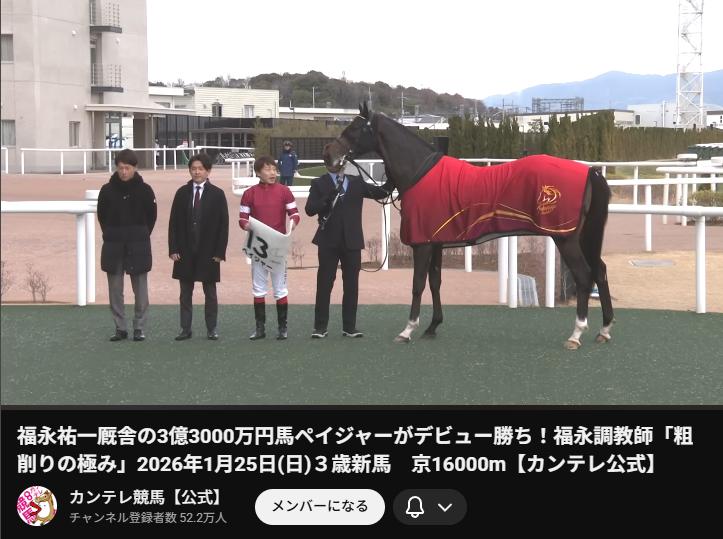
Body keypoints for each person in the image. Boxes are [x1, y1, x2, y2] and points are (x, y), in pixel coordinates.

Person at [305, 151, 390, 338]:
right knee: (325, 284)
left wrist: (392, 174)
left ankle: (349, 327)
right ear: (326, 163)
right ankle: (320, 327)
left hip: (352, 240)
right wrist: (327, 198)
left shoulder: (356, 182)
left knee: (351, 285)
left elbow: (381, 193)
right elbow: (310, 209)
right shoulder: (319, 183)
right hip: (328, 240)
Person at [97, 149, 157, 342]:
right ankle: (120, 328)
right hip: (113, 246)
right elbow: (102, 216)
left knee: (140, 290)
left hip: (138, 245)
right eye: (121, 168)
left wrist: (140, 234)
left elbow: (151, 217)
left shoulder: (146, 190)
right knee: (115, 290)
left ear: (135, 168)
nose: (124, 172)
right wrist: (111, 234)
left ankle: (139, 327)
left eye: (127, 168)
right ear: (116, 168)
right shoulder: (106, 191)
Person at [168, 153, 229, 341]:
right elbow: (173, 223)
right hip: (185, 251)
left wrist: (220, 252)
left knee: (210, 293)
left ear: (208, 171)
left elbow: (224, 226)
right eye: (193, 169)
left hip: (209, 252)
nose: (197, 172)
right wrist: (173, 249)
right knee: (185, 293)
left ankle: (212, 329)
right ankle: (185, 329)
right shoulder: (181, 193)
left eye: (200, 169)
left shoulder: (217, 194)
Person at [239, 156, 300, 340]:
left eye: (274, 169)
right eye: (268, 169)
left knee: (280, 289)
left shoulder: (284, 191)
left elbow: (295, 214)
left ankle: (282, 328)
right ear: (258, 172)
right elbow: (242, 219)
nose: (272, 173)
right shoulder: (249, 193)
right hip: (258, 246)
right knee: (258, 289)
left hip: (277, 246)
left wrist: (292, 224)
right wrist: (247, 226)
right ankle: (260, 329)